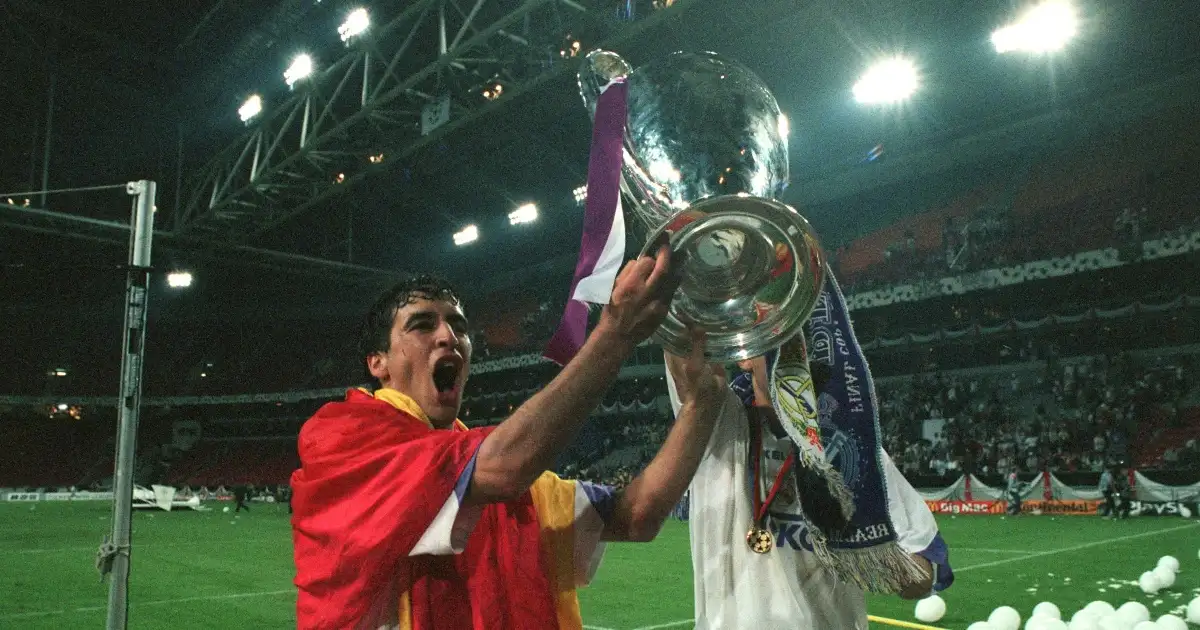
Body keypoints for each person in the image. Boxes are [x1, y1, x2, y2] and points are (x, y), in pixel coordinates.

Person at [291, 247, 727, 630]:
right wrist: (616, 331)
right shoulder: (342, 440)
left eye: (459, 327)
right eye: (422, 325)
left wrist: (700, 406)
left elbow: (636, 516)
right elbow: (503, 467)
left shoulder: (493, 476)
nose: (449, 337)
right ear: (377, 362)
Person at [666, 351, 952, 629]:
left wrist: (856, 541)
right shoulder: (718, 425)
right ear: (746, 357)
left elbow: (920, 578)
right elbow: (684, 343)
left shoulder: (855, 450)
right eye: (781, 339)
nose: (796, 351)